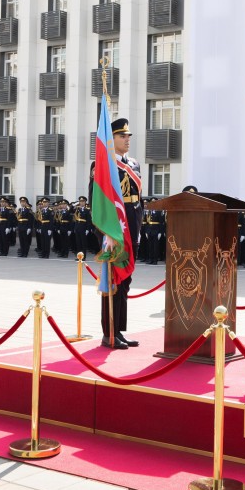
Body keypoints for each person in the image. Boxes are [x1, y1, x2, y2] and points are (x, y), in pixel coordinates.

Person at [90, 117, 142, 349]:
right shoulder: (102, 165)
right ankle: (108, 333)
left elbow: (138, 202)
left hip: (131, 230)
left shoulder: (134, 164)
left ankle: (119, 330)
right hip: (114, 232)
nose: (127, 139)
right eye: (122, 136)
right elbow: (98, 203)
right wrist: (106, 233)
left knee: (126, 281)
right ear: (112, 140)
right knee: (114, 282)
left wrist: (139, 229)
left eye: (129, 136)